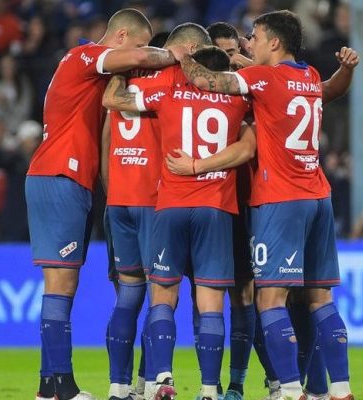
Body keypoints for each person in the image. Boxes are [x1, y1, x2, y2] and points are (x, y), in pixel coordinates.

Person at [176, 10, 359, 400]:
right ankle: (340, 391)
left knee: (269, 298)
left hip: (279, 199)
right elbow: (333, 88)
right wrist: (347, 70)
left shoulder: (262, 77)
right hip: (318, 197)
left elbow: (208, 81)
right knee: (320, 297)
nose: (250, 43)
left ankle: (290, 390)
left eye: (255, 37)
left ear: (274, 42)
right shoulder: (307, 76)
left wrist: (184, 57)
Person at [24, 8, 184, 400]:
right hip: (60, 175)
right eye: (141, 43)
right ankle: (61, 384)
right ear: (123, 36)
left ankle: (49, 385)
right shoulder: (83, 55)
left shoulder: (88, 72)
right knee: (60, 283)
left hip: (64, 178)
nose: (144, 53)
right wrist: (175, 53)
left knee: (65, 282)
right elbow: (142, 58)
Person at [103, 46, 252, 400]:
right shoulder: (237, 102)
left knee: (163, 298)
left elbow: (113, 99)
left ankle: (163, 378)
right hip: (216, 208)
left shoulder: (167, 93)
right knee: (211, 302)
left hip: (169, 207)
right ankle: (208, 390)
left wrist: (126, 65)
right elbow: (250, 145)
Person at [101, 22, 212, 400]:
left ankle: (118, 386)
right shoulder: (172, 82)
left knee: (127, 296)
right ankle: (153, 382)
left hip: (118, 197)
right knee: (162, 295)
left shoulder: (123, 79)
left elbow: (107, 126)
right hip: (153, 198)